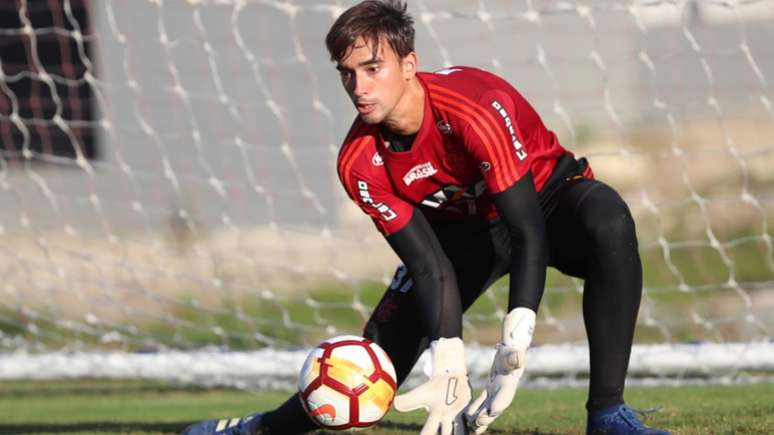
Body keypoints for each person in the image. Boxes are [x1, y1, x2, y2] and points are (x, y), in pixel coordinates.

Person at [181, 1, 670, 434]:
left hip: (544, 201)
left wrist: (514, 344)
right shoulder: (358, 162)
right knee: (373, 359)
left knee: (609, 221)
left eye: (373, 69)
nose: (358, 87)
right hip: (462, 233)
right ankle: (262, 430)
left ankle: (607, 414)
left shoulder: (473, 107)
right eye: (347, 73)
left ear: (409, 64)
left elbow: (527, 233)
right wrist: (448, 359)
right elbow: (429, 265)